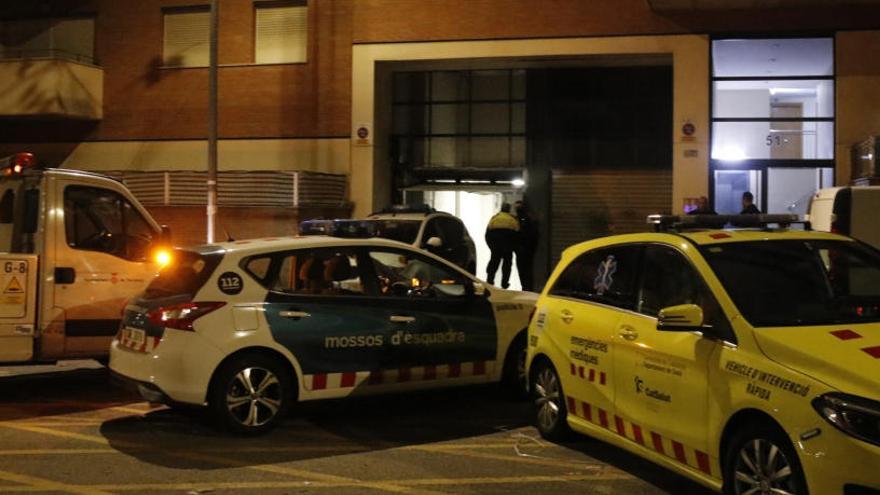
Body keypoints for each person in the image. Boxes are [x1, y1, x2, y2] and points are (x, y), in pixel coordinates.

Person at [485, 203, 519, 289]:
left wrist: (491, 246)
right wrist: (514, 247)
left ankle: (489, 280)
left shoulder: (494, 218)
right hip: (508, 245)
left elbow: (487, 234)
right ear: (509, 210)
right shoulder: (512, 219)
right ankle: (504, 283)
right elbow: (517, 234)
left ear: (501, 209)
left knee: (494, 263)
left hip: (496, 245)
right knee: (507, 265)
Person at [514, 199, 538, 292]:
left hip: (523, 250)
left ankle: (526, 287)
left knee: (523, 270)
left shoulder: (522, 219)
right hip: (526, 250)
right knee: (527, 269)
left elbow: (523, 234)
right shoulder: (529, 218)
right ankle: (527, 287)